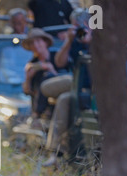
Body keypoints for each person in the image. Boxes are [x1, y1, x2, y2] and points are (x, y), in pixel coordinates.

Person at [41, 8, 92, 167]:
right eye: (74, 26)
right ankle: (55, 151)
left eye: (79, 26)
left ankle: (54, 152)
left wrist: (90, 40)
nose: (78, 30)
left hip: (91, 86)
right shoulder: (74, 40)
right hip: (76, 83)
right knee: (53, 92)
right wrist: (69, 41)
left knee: (57, 95)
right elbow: (59, 62)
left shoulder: (99, 39)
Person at [21, 28, 58, 122]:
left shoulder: (57, 58)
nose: (36, 45)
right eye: (32, 43)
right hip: (39, 108)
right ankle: (38, 113)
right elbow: (27, 91)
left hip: (56, 104)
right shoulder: (32, 63)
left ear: (45, 42)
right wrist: (28, 77)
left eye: (38, 41)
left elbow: (66, 80)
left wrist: (50, 69)